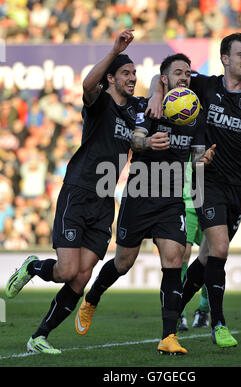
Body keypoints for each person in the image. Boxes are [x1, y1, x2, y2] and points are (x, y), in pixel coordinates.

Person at [147, 32, 241, 348]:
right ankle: (218, 324)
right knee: (222, 249)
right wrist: (156, 95)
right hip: (206, 180)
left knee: (207, 258)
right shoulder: (205, 85)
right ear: (225, 59)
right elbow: (162, 76)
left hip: (240, 187)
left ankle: (175, 306)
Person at [5, 29, 147, 354]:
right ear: (110, 77)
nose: (132, 78)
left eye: (134, 73)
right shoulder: (100, 102)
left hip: (104, 200)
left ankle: (39, 337)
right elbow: (87, 85)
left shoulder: (135, 109)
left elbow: (155, 103)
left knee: (81, 278)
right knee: (66, 270)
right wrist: (115, 50)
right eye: (126, 73)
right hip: (79, 190)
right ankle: (32, 267)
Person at [75, 53, 216, 355]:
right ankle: (92, 298)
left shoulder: (196, 114)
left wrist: (202, 159)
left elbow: (198, 157)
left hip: (171, 200)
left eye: (188, 74)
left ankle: (168, 336)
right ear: (164, 79)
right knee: (123, 263)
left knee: (174, 262)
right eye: (178, 73)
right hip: (138, 196)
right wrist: (149, 139)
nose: (185, 78)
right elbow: (135, 143)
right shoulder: (146, 106)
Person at [178, 158, 209, 332]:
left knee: (210, 257)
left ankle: (204, 309)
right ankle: (179, 311)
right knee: (181, 254)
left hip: (209, 202)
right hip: (186, 201)